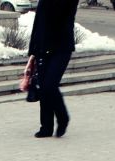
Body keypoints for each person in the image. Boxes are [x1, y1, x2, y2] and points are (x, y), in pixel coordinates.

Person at [28, 0, 79, 138]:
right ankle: (46, 127)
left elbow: (62, 16)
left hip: (61, 48)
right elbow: (38, 23)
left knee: (50, 85)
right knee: (43, 87)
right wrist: (33, 49)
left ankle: (63, 118)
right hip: (43, 48)